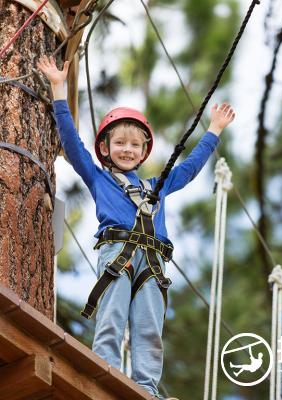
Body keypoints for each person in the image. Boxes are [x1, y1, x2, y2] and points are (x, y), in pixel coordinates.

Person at [37, 55, 235, 399]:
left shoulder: (156, 186)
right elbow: (72, 142)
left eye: (134, 145)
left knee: (149, 330)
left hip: (153, 264)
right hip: (117, 254)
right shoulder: (98, 178)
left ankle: (146, 390)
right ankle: (104, 374)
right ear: (105, 148)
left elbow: (188, 169)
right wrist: (58, 88)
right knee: (111, 319)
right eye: (120, 143)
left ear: (144, 152)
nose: (127, 149)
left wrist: (213, 131)